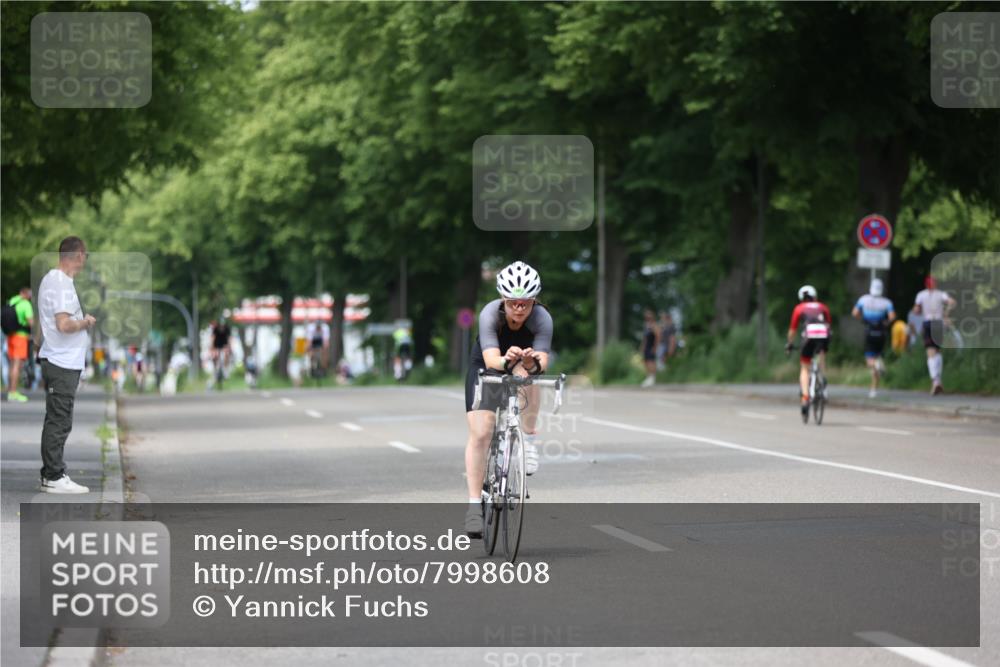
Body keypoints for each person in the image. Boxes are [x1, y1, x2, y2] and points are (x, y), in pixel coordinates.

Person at [464, 261, 551, 538]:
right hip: (487, 364)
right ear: (503, 298)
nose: (519, 309)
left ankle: (528, 439)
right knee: (481, 432)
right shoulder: (490, 314)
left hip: (520, 363)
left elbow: (543, 362)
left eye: (525, 303)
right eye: (513, 303)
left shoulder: (542, 318)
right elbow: (492, 360)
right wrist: (507, 359)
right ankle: (474, 507)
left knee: (530, 376)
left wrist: (531, 362)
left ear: (534, 300)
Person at [37, 236, 96, 494]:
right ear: (79, 255)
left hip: (59, 359)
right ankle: (54, 476)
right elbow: (63, 324)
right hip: (61, 362)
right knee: (59, 420)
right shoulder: (60, 284)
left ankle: (51, 474)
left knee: (57, 418)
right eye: (86, 256)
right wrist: (85, 322)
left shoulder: (52, 280)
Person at [785, 284, 832, 419]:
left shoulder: (799, 308)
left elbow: (792, 330)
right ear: (815, 297)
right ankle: (822, 380)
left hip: (809, 335)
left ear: (801, 298)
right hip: (823, 334)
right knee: (821, 354)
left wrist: (789, 344)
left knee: (805, 368)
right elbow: (829, 325)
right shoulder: (823, 307)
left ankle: (805, 397)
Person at [852, 278, 896, 398]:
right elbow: (892, 316)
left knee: (870, 361)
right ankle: (873, 390)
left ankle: (876, 368)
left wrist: (863, 319)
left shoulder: (863, 299)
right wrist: (885, 323)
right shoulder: (886, 302)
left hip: (869, 332)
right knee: (877, 359)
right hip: (881, 333)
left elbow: (855, 313)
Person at [912, 275, 955, 395]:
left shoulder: (921, 295)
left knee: (930, 352)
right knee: (937, 351)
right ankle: (938, 380)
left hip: (928, 323)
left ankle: (935, 381)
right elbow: (952, 302)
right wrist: (946, 314)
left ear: (926, 285)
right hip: (939, 324)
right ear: (935, 284)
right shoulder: (941, 294)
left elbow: (916, 310)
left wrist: (919, 311)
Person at [4, 286, 34, 402]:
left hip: (10, 336)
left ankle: (10, 390)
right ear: (26, 294)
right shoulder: (26, 304)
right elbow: (31, 322)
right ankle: (13, 392)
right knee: (17, 365)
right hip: (20, 337)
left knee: (12, 364)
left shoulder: (13, 300)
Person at [639, 310, 660, 387]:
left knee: (651, 362)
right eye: (646, 317)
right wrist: (642, 347)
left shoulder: (655, 326)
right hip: (647, 347)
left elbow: (658, 337)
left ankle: (652, 377)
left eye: (649, 317)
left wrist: (655, 347)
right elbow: (645, 338)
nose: (647, 318)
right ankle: (648, 377)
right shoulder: (646, 326)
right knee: (646, 361)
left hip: (652, 346)